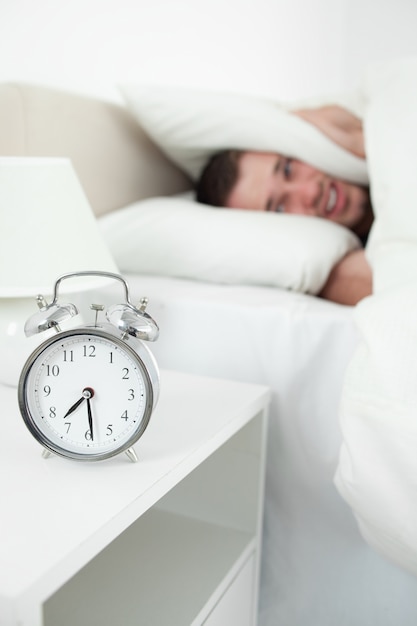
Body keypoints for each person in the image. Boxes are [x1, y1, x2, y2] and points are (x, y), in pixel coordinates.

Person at [196, 105, 373, 306]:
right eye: (279, 210)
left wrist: (357, 136)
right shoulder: (341, 273)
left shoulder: (357, 123)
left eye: (288, 168)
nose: (311, 192)